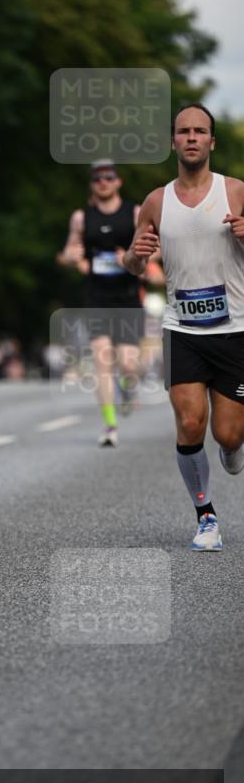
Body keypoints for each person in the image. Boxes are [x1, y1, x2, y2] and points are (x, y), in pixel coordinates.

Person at [124, 103, 244, 551]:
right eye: (183, 131)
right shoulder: (157, 201)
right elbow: (133, 263)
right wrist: (136, 253)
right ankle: (206, 516)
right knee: (190, 423)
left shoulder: (236, 192)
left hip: (234, 330)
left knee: (228, 434)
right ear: (173, 141)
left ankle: (234, 447)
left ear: (212, 141)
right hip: (182, 329)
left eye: (200, 131)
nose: (191, 138)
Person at [58, 160, 162, 446]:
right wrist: (70, 256)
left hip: (128, 296)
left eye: (108, 177)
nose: (103, 182)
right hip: (96, 297)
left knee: (129, 364)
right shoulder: (81, 218)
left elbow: (156, 251)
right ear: (92, 185)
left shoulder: (135, 212)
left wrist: (130, 257)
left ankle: (129, 387)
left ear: (118, 182)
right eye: (97, 179)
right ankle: (110, 424)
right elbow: (69, 252)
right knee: (103, 361)